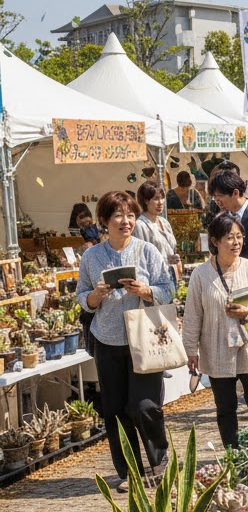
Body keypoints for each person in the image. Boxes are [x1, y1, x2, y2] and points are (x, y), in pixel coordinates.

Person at [77, 191, 175, 491]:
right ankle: (130, 472)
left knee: (145, 406)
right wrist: (95, 296)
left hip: (145, 339)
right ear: (104, 220)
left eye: (130, 215)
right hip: (107, 340)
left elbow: (168, 289)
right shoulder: (91, 256)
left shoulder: (147, 251)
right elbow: (82, 296)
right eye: (118, 215)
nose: (126, 221)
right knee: (116, 410)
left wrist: (146, 291)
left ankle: (159, 461)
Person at [182, 214, 248, 448]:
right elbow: (193, 315)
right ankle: (233, 454)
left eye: (239, 237)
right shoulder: (201, 275)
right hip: (217, 349)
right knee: (225, 407)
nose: (236, 243)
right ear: (215, 241)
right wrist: (191, 350)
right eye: (229, 238)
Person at [132, 182, 180, 272]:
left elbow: (171, 250)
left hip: (171, 274)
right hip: (154, 276)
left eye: (162, 198)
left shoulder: (164, 222)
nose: (160, 202)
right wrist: (166, 260)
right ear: (146, 201)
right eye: (156, 199)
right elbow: (140, 258)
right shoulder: (140, 225)